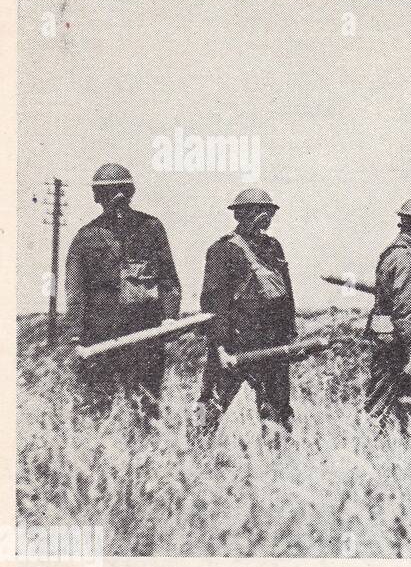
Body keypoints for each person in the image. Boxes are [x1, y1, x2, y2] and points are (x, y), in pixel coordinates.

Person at [64, 163, 182, 420]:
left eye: (122, 190)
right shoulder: (86, 237)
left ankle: (145, 453)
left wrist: (170, 316)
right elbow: (75, 290)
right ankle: (98, 453)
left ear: (130, 192)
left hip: (145, 330)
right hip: (100, 334)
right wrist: (75, 335)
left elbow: (168, 278)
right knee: (97, 404)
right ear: (98, 197)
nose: (116, 198)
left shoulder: (151, 228)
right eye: (108, 193)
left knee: (146, 403)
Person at [197, 188, 297, 433]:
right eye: (258, 211)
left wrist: (290, 335)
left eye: (269, 211)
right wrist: (219, 347)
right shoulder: (222, 250)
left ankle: (277, 461)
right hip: (234, 342)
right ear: (240, 215)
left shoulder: (274, 247)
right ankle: (193, 448)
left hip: (272, 343)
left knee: (277, 409)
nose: (265, 217)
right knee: (209, 404)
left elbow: (286, 295)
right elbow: (213, 304)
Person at [364, 197, 411, 418]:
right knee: (382, 401)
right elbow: (405, 310)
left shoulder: (402, 253)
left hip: (391, 337)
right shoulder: (404, 257)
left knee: (399, 402)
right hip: (396, 341)